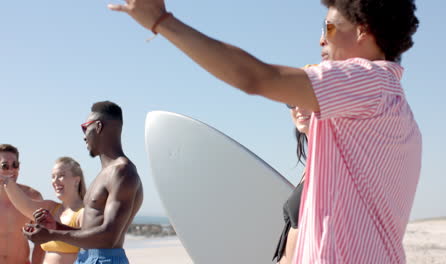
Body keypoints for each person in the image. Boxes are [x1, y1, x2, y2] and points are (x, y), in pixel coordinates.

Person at [109, 0, 422, 263]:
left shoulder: (371, 82)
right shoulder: (381, 102)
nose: (321, 41)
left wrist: (161, 21)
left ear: (363, 30)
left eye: (328, 27)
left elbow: (256, 77)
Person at [23, 101, 144, 264]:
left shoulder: (122, 171)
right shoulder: (107, 173)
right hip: (89, 257)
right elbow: (92, 234)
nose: (84, 136)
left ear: (98, 126)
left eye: (85, 128)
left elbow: (108, 238)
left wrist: (51, 235)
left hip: (105, 260)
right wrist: (56, 227)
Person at [2, 156, 86, 264]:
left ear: (76, 180)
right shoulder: (51, 208)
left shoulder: (83, 213)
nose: (55, 181)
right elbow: (24, 204)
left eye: (61, 176)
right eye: (53, 176)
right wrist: (6, 181)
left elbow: (93, 252)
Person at [273, 103, 311, 264]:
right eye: (291, 101)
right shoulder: (312, 163)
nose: (299, 107)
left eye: (306, 97)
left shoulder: (336, 162)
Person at [0, 144, 45, 264]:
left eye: (15, 165)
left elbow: (42, 240)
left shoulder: (32, 198)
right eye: (5, 166)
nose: (11, 170)